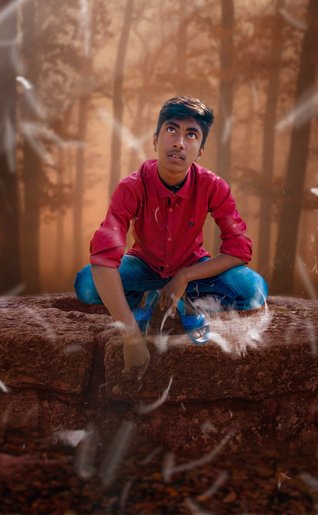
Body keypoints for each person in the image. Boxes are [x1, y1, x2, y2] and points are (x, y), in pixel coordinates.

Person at [74, 96, 268, 373]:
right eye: (171, 130)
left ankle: (189, 302)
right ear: (155, 140)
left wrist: (184, 277)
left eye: (191, 135)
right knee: (86, 283)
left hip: (193, 265)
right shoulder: (132, 186)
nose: (179, 142)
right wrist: (130, 335)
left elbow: (239, 249)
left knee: (254, 290)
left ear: (200, 150)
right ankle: (143, 305)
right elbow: (103, 257)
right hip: (144, 265)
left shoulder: (213, 186)